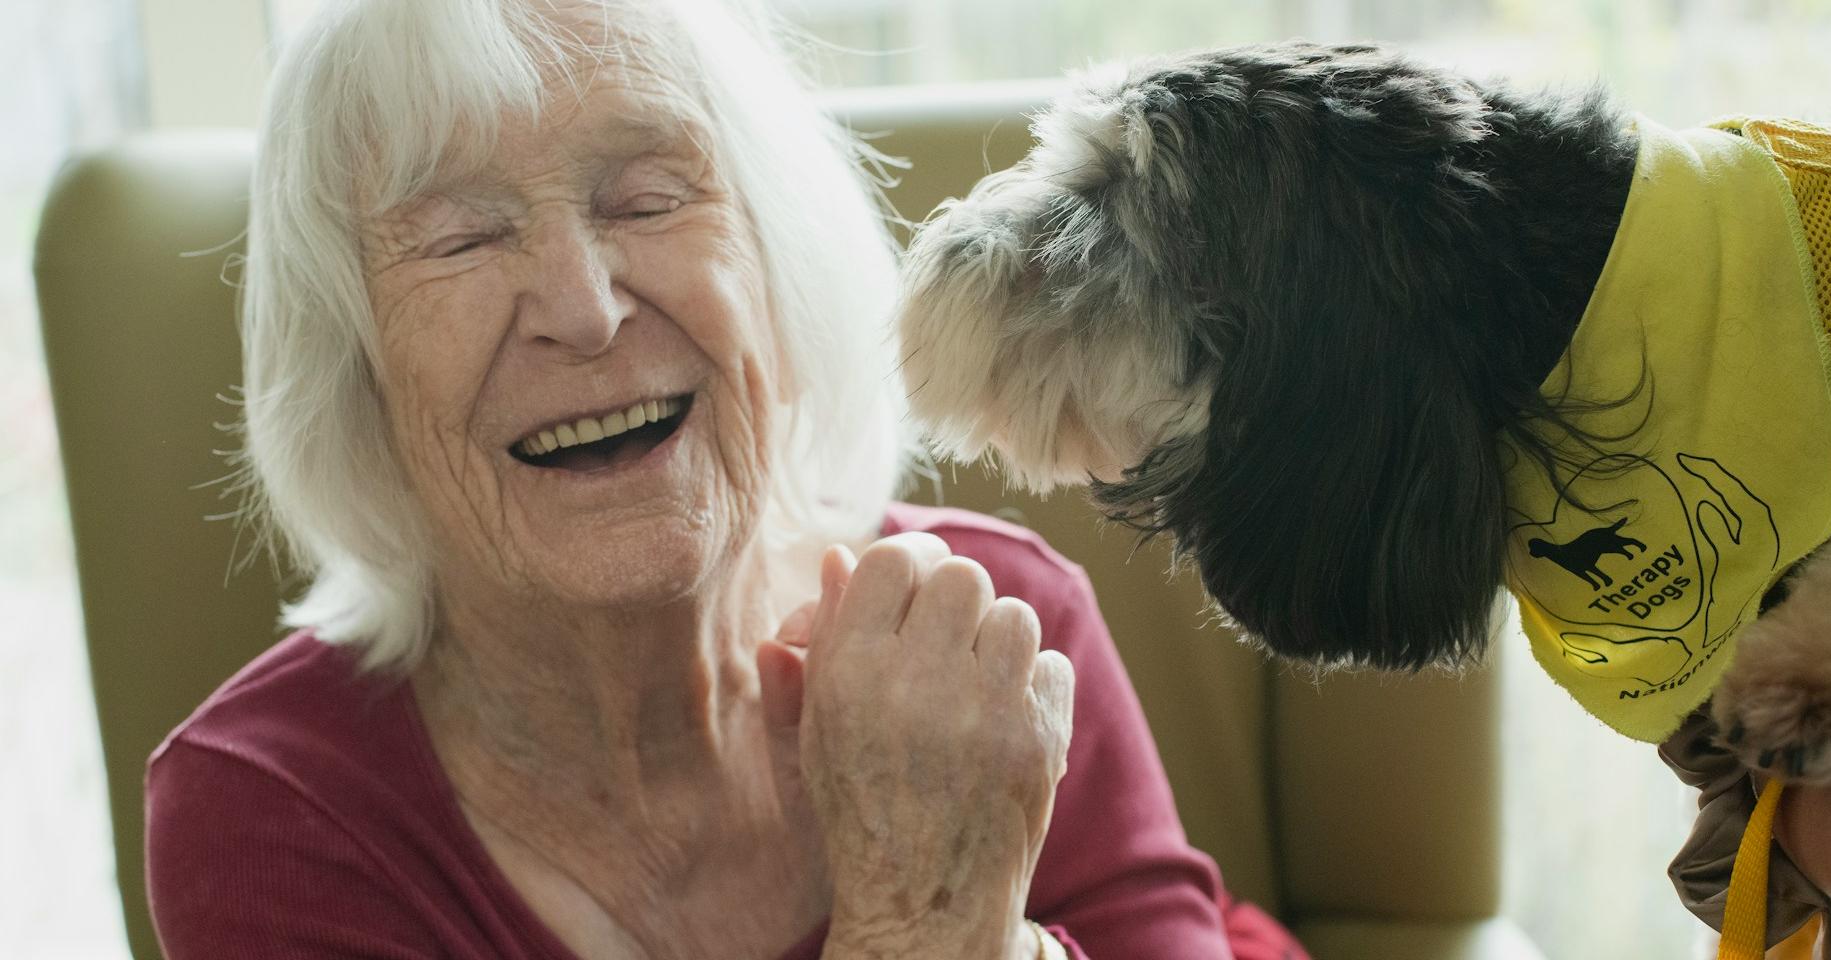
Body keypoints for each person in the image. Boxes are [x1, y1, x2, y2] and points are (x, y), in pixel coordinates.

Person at [142, 1, 1306, 958]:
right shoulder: (272, 814)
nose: (585, 310)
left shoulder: (994, 629)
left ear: (780, 273)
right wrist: (925, 926)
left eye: (647, 200)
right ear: (356, 374)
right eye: (460, 238)